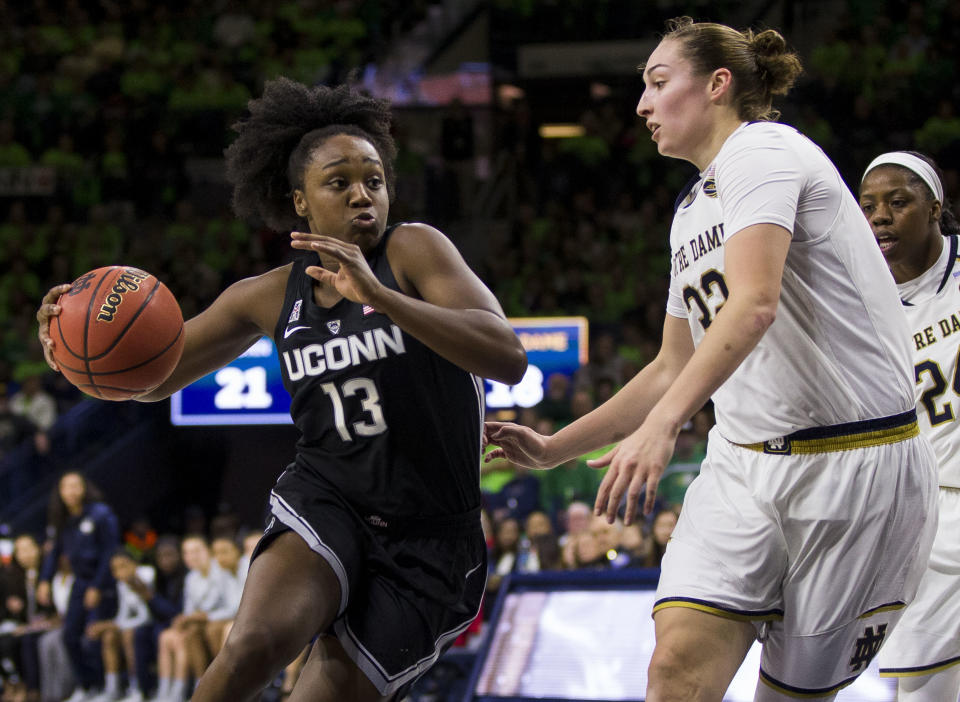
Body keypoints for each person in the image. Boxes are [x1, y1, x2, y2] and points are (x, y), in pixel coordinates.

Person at [485, 17, 938, 701]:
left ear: (718, 85)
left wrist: (663, 426)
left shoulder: (765, 150)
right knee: (674, 670)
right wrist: (555, 449)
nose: (641, 103)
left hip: (856, 465)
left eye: (658, 82)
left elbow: (754, 303)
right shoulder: (692, 208)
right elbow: (670, 366)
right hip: (741, 467)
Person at [37, 77, 526, 702]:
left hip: (431, 535)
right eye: (338, 182)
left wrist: (382, 299)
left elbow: (506, 356)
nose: (361, 195)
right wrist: (75, 355)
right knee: (252, 646)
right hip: (330, 498)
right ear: (299, 201)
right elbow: (153, 381)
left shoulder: (413, 252)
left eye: (373, 180)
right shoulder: (266, 296)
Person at [860, 151, 960, 701]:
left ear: (936, 208)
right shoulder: (859, 307)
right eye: (869, 206)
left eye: (898, 202)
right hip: (919, 513)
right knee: (918, 688)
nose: (880, 216)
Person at [36, 472, 119, 702]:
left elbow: (109, 552)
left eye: (75, 486)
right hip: (80, 581)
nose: (71, 491)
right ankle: (87, 685)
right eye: (66, 487)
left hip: (102, 582)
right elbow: (54, 553)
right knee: (69, 635)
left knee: (93, 636)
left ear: (84, 488)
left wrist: (97, 586)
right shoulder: (61, 519)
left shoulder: (101, 514)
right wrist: (44, 580)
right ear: (60, 492)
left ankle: (105, 687)